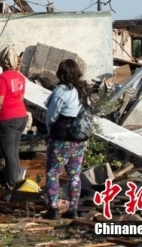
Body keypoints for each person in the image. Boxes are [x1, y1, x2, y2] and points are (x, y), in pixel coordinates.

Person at [43, 59, 91, 220]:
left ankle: (53, 209)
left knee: (52, 173)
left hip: (61, 139)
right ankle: (73, 209)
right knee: (75, 175)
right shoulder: (83, 91)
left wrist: (50, 130)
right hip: (79, 140)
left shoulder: (61, 91)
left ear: (61, 73)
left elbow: (51, 116)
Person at [0, 46, 27, 189]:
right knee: (14, 153)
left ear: (2, 61)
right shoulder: (20, 77)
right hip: (21, 117)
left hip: (5, 119)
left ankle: (11, 185)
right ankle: (15, 183)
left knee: (9, 154)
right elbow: (21, 98)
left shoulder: (1, 78)